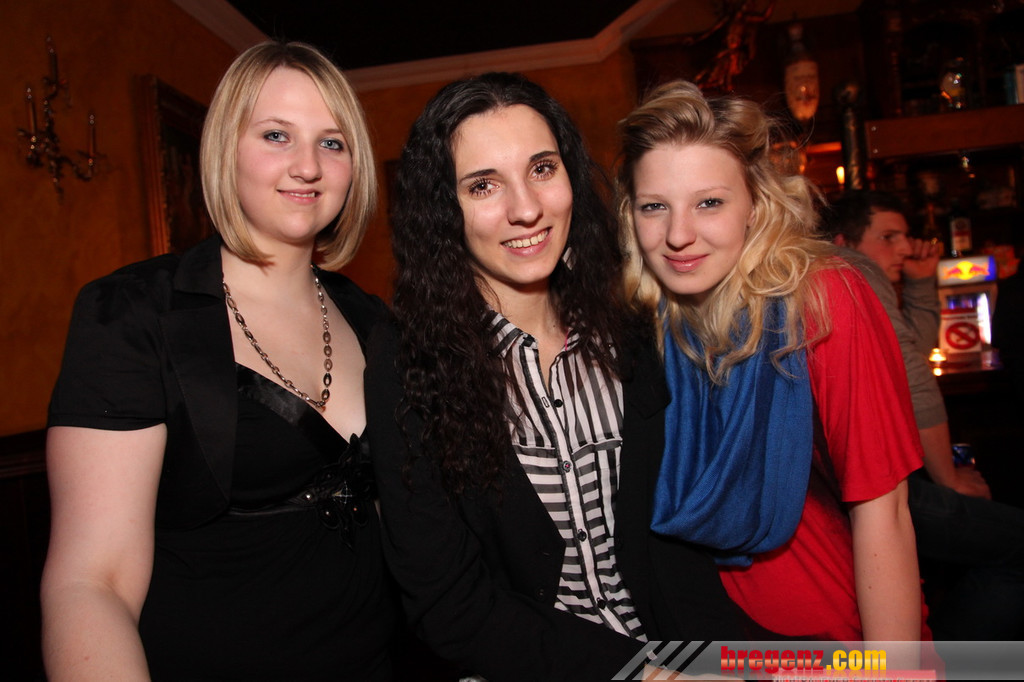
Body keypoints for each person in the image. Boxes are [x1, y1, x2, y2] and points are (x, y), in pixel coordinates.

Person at [365, 72, 758, 682]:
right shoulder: (409, 363)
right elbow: (449, 605)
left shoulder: (631, 327)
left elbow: (675, 556)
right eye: (483, 185)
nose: (526, 209)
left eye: (542, 169)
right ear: (444, 208)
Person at [41, 42, 397, 679]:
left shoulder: (372, 319)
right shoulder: (134, 313)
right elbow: (91, 585)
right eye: (276, 135)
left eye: (333, 143)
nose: (308, 166)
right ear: (225, 147)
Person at [616, 80, 925, 642]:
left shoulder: (824, 300)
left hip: (835, 632)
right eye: (654, 206)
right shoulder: (650, 320)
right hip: (711, 637)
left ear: (755, 205)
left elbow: (885, 512)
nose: (678, 235)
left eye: (709, 202)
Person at [823, 190, 1024, 640]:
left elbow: (909, 345)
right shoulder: (849, 268)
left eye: (905, 236)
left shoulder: (843, 272)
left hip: (859, 481)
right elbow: (910, 374)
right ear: (843, 241)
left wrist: (917, 284)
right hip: (872, 483)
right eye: (888, 237)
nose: (905, 248)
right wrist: (948, 477)